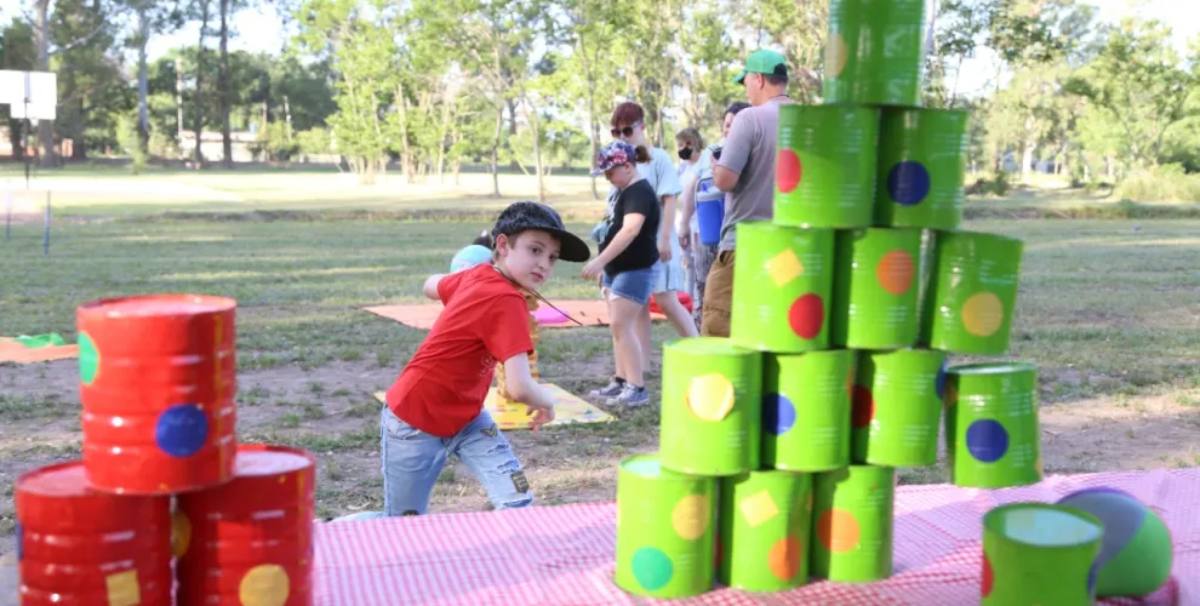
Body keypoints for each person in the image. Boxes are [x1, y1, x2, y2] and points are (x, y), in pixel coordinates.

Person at [379, 201, 591, 515]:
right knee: (399, 524)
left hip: (466, 417)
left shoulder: (478, 276)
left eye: (552, 257)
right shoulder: (507, 300)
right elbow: (519, 387)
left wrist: (465, 276)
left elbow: (429, 286)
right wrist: (547, 401)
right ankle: (330, 532)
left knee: (516, 502)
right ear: (503, 245)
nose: (544, 264)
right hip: (415, 421)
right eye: (535, 250)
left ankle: (511, 557)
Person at [590, 102, 698, 403]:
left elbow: (669, 200)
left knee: (666, 300)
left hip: (655, 243)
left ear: (641, 127)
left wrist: (664, 239)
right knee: (633, 310)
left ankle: (700, 349)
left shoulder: (657, 158)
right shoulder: (619, 162)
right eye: (616, 131)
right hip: (632, 250)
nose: (623, 136)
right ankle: (634, 372)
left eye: (627, 129)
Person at [703, 49, 793, 337]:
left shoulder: (749, 118)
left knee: (719, 326)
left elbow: (726, 180)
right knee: (772, 328)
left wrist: (717, 167)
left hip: (744, 245)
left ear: (758, 79)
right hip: (789, 248)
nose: (746, 90)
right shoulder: (808, 120)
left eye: (746, 82)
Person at [582, 141, 660, 407]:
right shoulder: (624, 191)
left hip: (634, 270)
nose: (608, 179)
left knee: (622, 326)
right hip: (616, 269)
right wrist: (606, 266)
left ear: (627, 166)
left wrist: (599, 261)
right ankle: (620, 380)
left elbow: (630, 230)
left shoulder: (639, 192)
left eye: (610, 173)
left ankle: (636, 387)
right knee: (618, 328)